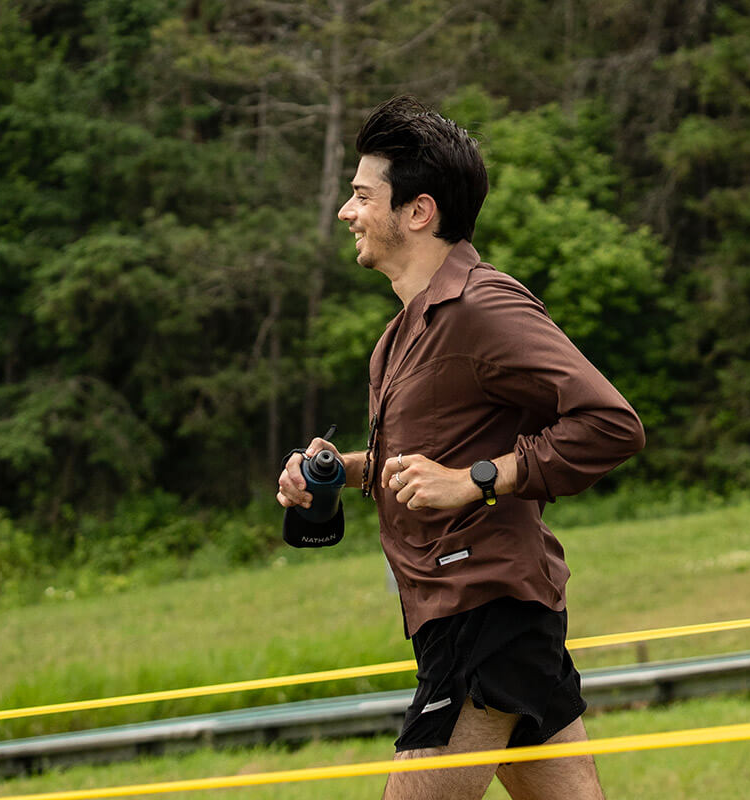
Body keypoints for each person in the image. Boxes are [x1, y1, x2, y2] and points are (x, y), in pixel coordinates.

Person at [276, 96, 644, 800]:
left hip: (484, 613)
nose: (348, 212)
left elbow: (610, 423)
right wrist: (338, 471)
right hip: (476, 615)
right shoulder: (399, 336)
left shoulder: (484, 305)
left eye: (363, 196)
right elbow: (427, 466)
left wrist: (477, 480)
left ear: (418, 211)